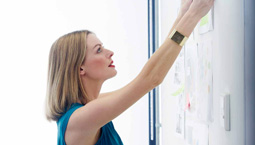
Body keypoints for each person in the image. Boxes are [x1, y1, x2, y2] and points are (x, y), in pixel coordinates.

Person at [45, 0, 215, 144]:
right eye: (98, 50)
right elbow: (150, 79)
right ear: (80, 68)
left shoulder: (89, 106)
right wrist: (193, 16)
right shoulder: (80, 119)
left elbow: (146, 77)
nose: (109, 52)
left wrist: (183, 15)